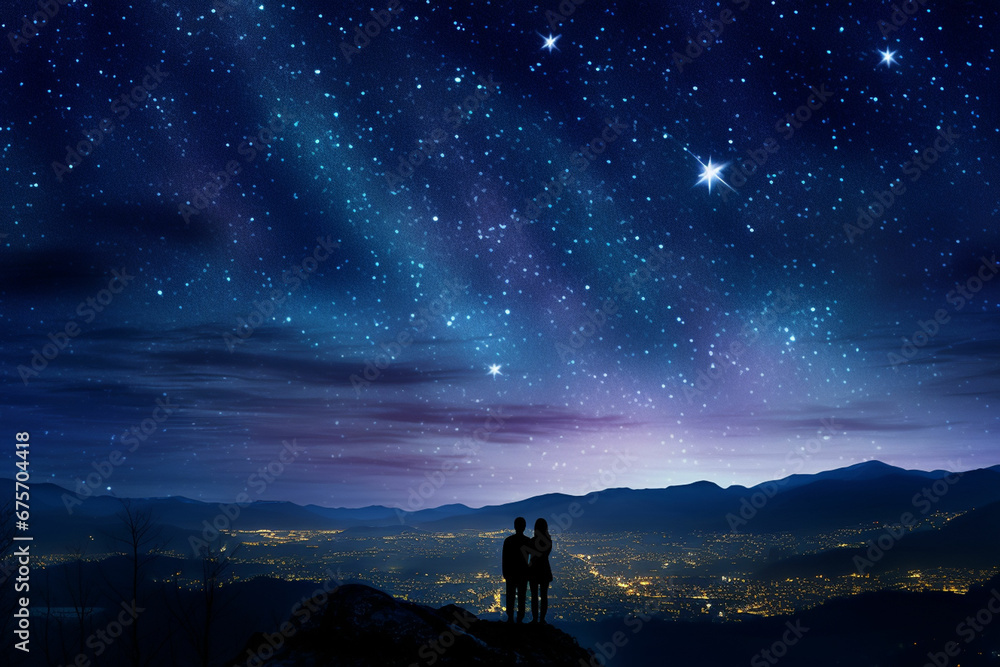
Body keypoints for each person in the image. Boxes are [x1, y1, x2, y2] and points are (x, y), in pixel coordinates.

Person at [501, 517, 532, 622]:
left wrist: (505, 573)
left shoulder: (508, 541)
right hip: (523, 573)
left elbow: (504, 558)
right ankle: (520, 618)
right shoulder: (527, 541)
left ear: (515, 526)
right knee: (522, 597)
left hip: (511, 573)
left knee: (510, 596)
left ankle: (510, 617)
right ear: (524, 527)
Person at [528, 517, 552, 624]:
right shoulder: (548, 541)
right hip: (545, 570)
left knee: (534, 596)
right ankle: (542, 619)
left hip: (533, 571)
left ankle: (534, 619)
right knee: (544, 596)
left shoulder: (533, 541)